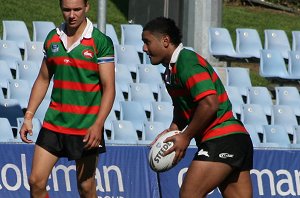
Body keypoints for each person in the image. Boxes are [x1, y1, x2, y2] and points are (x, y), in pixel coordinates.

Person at [142, 17, 253, 198]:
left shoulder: (187, 62)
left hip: (222, 139)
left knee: (189, 195)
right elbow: (182, 111)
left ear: (165, 41)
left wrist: (185, 136)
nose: (144, 48)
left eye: (147, 42)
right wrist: (173, 130)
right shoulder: (171, 72)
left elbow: (210, 103)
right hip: (236, 139)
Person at [19, 0, 115, 197]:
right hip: (54, 124)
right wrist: (29, 116)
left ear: (87, 7)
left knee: (86, 188)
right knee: (35, 182)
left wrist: (98, 124)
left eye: (77, 9)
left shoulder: (101, 42)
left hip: (86, 128)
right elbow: (43, 79)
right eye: (67, 10)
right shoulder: (52, 38)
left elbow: (109, 89)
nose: (72, 15)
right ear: (61, 9)